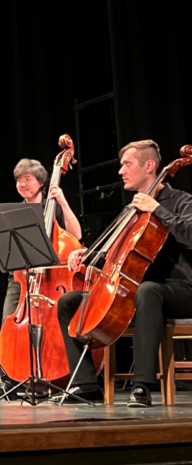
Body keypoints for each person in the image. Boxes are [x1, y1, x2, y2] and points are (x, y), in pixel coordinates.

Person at [57, 140, 192, 406]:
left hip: (181, 289)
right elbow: (118, 253)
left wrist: (158, 209)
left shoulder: (180, 201)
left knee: (148, 290)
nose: (120, 171)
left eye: (127, 164)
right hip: (137, 290)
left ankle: (142, 386)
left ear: (149, 166)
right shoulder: (132, 209)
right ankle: (86, 385)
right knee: (68, 302)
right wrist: (87, 255)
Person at [0, 159, 82, 397]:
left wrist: (61, 200)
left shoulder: (54, 208)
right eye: (18, 180)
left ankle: (48, 376)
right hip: (21, 278)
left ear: (41, 182)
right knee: (8, 324)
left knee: (53, 327)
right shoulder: (14, 213)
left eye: (27, 179)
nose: (21, 184)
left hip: (53, 279)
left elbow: (76, 235)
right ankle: (10, 379)